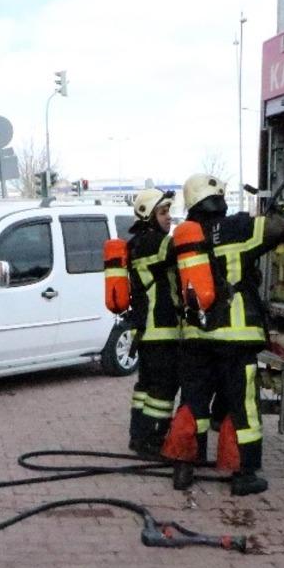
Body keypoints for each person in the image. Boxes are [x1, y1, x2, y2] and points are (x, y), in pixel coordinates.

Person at [162, 174, 284, 496]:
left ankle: (183, 468)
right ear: (219, 198)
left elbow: (175, 292)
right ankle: (243, 475)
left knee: (193, 403)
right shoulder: (238, 229)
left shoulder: (178, 243)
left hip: (196, 337)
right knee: (242, 408)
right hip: (236, 340)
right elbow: (283, 223)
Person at [125, 188, 180, 459]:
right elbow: (180, 250)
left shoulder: (136, 243)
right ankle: (153, 441)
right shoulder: (154, 242)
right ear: (148, 215)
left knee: (145, 387)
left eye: (169, 211)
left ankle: (138, 436)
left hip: (146, 331)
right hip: (161, 329)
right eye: (163, 212)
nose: (169, 217)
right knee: (163, 388)